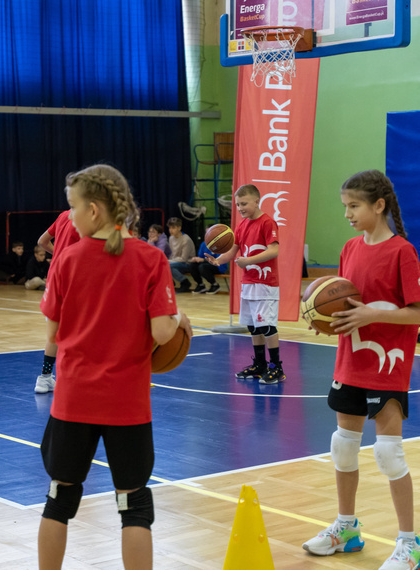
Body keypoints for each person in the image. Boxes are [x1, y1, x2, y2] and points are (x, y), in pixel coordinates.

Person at [37, 164, 192, 570]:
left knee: (60, 497)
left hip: (73, 401)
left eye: (71, 208)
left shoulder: (67, 259)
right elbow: (162, 333)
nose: (68, 217)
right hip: (127, 403)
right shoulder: (150, 259)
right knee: (135, 503)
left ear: (93, 210)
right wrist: (181, 321)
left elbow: (52, 332)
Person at [301, 170, 420, 569]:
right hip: (349, 360)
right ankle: (346, 528)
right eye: (345, 207)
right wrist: (325, 318)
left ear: (379, 205)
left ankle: (409, 543)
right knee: (342, 446)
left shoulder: (403, 251)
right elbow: (343, 302)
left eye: (354, 206)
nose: (347, 214)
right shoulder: (350, 248)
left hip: (388, 365)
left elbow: (417, 312)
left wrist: (370, 313)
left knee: (388, 454)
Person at [207, 184, 283, 384]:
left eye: (244, 203)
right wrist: (218, 260)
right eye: (237, 205)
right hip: (248, 283)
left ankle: (276, 367)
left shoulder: (267, 223)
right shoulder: (241, 225)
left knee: (266, 326)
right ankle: (260, 365)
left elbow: (274, 251)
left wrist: (248, 261)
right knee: (254, 327)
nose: (240, 208)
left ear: (257, 201)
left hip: (265, 283)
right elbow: (233, 251)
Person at [34, 209, 81, 394]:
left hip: (54, 277)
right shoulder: (86, 220)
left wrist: (59, 255)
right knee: (77, 330)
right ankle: (72, 377)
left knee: (54, 332)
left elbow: (42, 242)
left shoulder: (63, 215)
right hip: (73, 278)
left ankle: (45, 378)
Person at [167, 217, 196, 293]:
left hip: (188, 263)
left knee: (168, 265)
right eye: (169, 228)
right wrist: (169, 261)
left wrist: (169, 261)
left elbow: (184, 258)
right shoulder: (171, 238)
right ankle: (170, 284)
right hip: (176, 262)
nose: (171, 230)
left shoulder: (186, 239)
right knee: (163, 264)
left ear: (179, 228)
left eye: (173, 228)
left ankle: (185, 282)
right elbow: (172, 254)